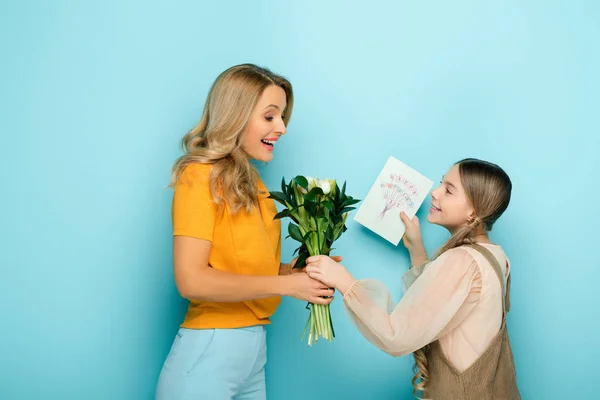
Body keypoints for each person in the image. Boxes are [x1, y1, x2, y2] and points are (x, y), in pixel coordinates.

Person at [155, 64, 337, 400]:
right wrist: (287, 285)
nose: (281, 127)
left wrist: (298, 272)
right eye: (269, 117)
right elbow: (191, 280)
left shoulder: (254, 185)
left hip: (251, 352)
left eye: (281, 117)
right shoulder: (199, 177)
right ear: (236, 116)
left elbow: (247, 270)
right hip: (209, 351)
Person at [306, 158, 520, 399]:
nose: (435, 193)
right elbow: (441, 307)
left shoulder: (462, 260)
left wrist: (343, 281)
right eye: (441, 184)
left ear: (473, 211)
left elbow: (396, 336)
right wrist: (416, 249)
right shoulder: (495, 255)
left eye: (448, 190)